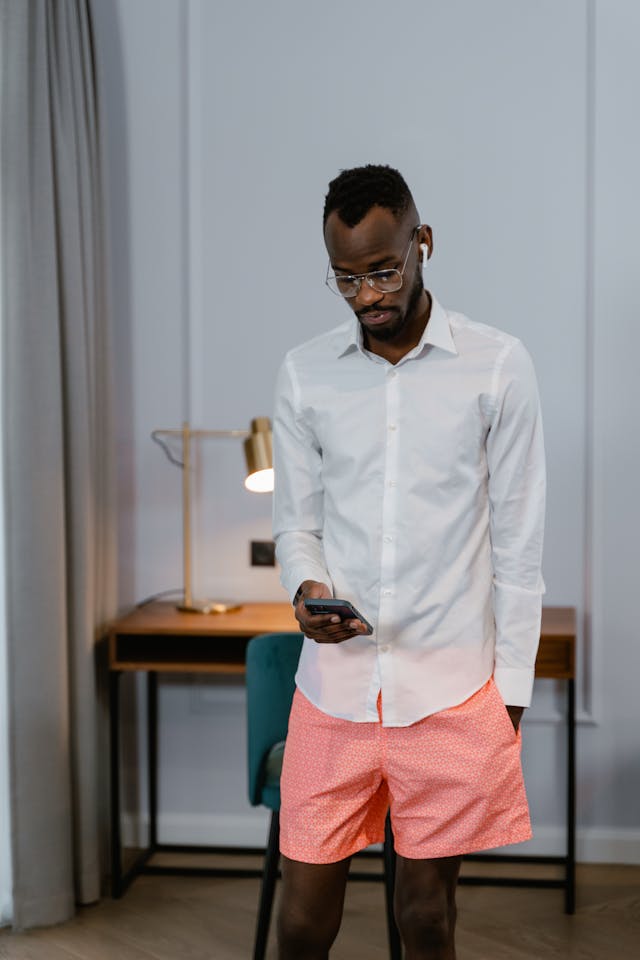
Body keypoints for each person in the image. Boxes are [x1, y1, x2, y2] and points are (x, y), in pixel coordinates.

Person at [272, 164, 545, 960]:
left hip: (453, 687)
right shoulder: (304, 373)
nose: (368, 295)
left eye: (384, 269)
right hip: (335, 690)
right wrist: (308, 590)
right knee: (301, 922)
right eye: (347, 278)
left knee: (425, 917)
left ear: (423, 244)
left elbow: (520, 542)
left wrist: (514, 694)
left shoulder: (497, 367)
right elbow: (298, 524)